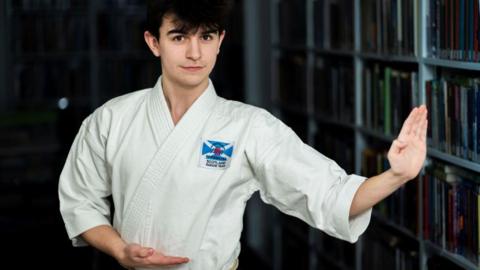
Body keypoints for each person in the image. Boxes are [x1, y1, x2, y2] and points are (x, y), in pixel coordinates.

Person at [58, 0, 428, 269]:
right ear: (154, 42)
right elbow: (80, 201)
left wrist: (396, 175)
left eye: (206, 37)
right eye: (178, 37)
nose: (194, 52)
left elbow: (329, 195)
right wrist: (121, 251)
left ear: (220, 41)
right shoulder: (111, 119)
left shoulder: (250, 126)